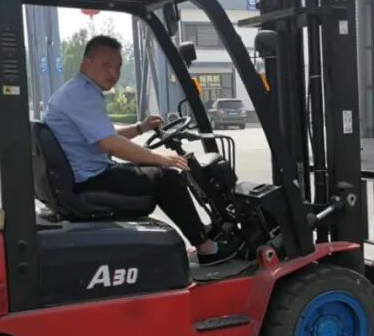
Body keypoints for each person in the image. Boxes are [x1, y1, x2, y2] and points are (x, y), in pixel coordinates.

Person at [42, 35, 233, 264]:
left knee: (150, 167)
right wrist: (161, 159)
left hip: (83, 176)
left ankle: (201, 233)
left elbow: (106, 134)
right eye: (106, 65)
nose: (113, 73)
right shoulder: (81, 95)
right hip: (89, 180)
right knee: (167, 178)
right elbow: (109, 144)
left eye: (118, 67)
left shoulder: (76, 91)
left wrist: (141, 127)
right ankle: (206, 248)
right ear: (86, 62)